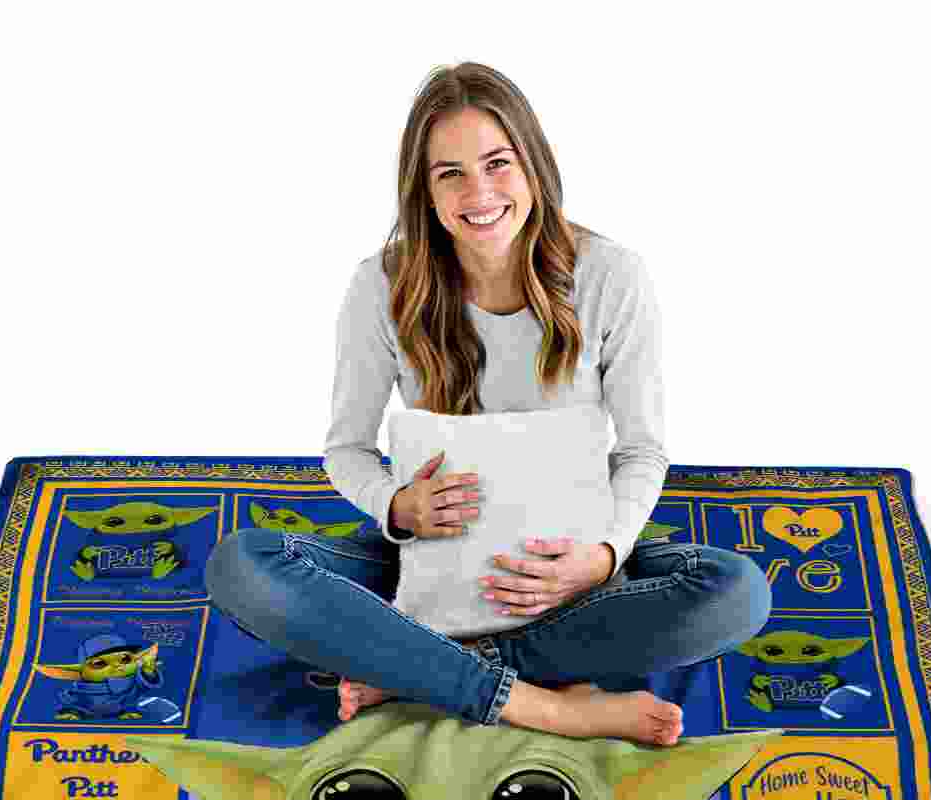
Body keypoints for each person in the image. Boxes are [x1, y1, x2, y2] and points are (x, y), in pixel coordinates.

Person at [205, 62, 771, 747]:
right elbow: (347, 450)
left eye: (498, 164)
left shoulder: (612, 275)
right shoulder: (380, 285)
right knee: (243, 565)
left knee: (736, 591)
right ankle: (549, 707)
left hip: (567, 566)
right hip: (428, 557)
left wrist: (599, 557)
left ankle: (419, 667)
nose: (479, 193)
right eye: (451, 173)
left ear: (534, 164)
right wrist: (397, 506)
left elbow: (642, 449)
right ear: (425, 190)